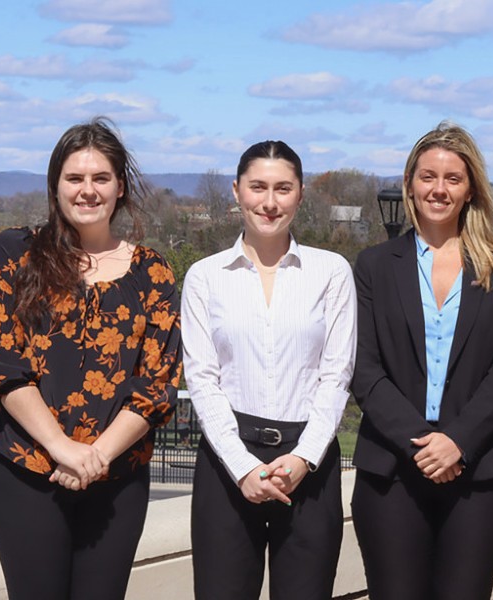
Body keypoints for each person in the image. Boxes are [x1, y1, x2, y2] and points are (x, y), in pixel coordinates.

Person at [0, 117, 181, 599]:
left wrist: (96, 456)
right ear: (56, 184)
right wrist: (63, 449)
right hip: (25, 471)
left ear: (120, 187)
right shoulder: (11, 253)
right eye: (75, 178)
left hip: (118, 477)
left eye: (100, 178)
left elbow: (158, 384)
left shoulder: (152, 272)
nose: (88, 190)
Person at [350, 122, 493, 600]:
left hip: (477, 474)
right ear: (410, 183)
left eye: (453, 178)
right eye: (428, 176)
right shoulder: (374, 266)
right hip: (391, 472)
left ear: (471, 190)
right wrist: (423, 445)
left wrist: (457, 442)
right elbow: (365, 370)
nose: (439, 189)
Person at [181, 140, 356, 600]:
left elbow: (336, 376)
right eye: (258, 187)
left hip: (309, 463)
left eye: (283, 188)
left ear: (300, 194)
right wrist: (243, 468)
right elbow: (202, 380)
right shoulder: (205, 276)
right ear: (237, 191)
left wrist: (303, 458)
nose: (270, 201)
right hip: (226, 465)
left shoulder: (332, 272)